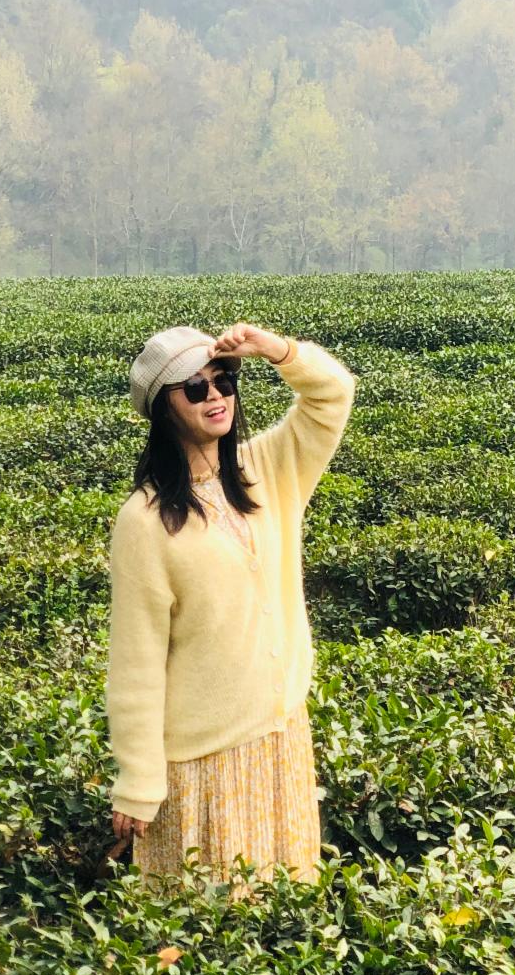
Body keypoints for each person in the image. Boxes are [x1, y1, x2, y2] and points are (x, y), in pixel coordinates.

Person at [105, 321, 357, 895]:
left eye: (223, 380)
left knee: (283, 917)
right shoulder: (143, 523)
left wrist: (277, 351)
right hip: (202, 762)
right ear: (162, 410)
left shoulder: (267, 469)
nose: (215, 395)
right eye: (193, 388)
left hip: (279, 737)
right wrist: (139, 783)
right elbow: (135, 665)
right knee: (208, 925)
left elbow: (333, 393)